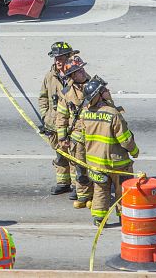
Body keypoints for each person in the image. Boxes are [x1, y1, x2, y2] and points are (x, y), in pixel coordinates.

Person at [81, 76, 139, 226]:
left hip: (95, 163)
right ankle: (124, 216)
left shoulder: (85, 113)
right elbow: (125, 139)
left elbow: (82, 137)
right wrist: (135, 151)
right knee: (122, 192)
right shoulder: (113, 114)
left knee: (100, 190)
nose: (108, 91)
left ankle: (99, 218)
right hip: (117, 163)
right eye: (104, 90)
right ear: (99, 95)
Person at [39, 41, 79, 195]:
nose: (58, 62)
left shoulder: (78, 74)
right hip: (54, 124)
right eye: (56, 58)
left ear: (69, 57)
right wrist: (45, 116)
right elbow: (43, 97)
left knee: (75, 157)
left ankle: (78, 186)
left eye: (61, 58)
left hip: (72, 125)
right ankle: (63, 183)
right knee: (60, 155)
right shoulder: (50, 76)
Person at [56, 56, 93, 209]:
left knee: (96, 168)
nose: (83, 72)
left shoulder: (95, 86)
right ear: (72, 75)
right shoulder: (67, 93)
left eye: (83, 69)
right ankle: (84, 197)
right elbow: (62, 116)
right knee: (80, 169)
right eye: (79, 71)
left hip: (95, 135)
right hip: (77, 138)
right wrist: (62, 137)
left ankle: (95, 197)